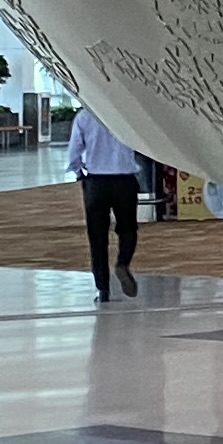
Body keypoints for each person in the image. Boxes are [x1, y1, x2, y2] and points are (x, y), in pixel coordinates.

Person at [68, 103, 141, 301]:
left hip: (96, 181)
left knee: (97, 236)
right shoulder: (126, 114)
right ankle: (122, 263)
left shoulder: (84, 117)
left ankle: (102, 289)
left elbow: (74, 151)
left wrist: (78, 173)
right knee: (128, 228)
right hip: (124, 180)